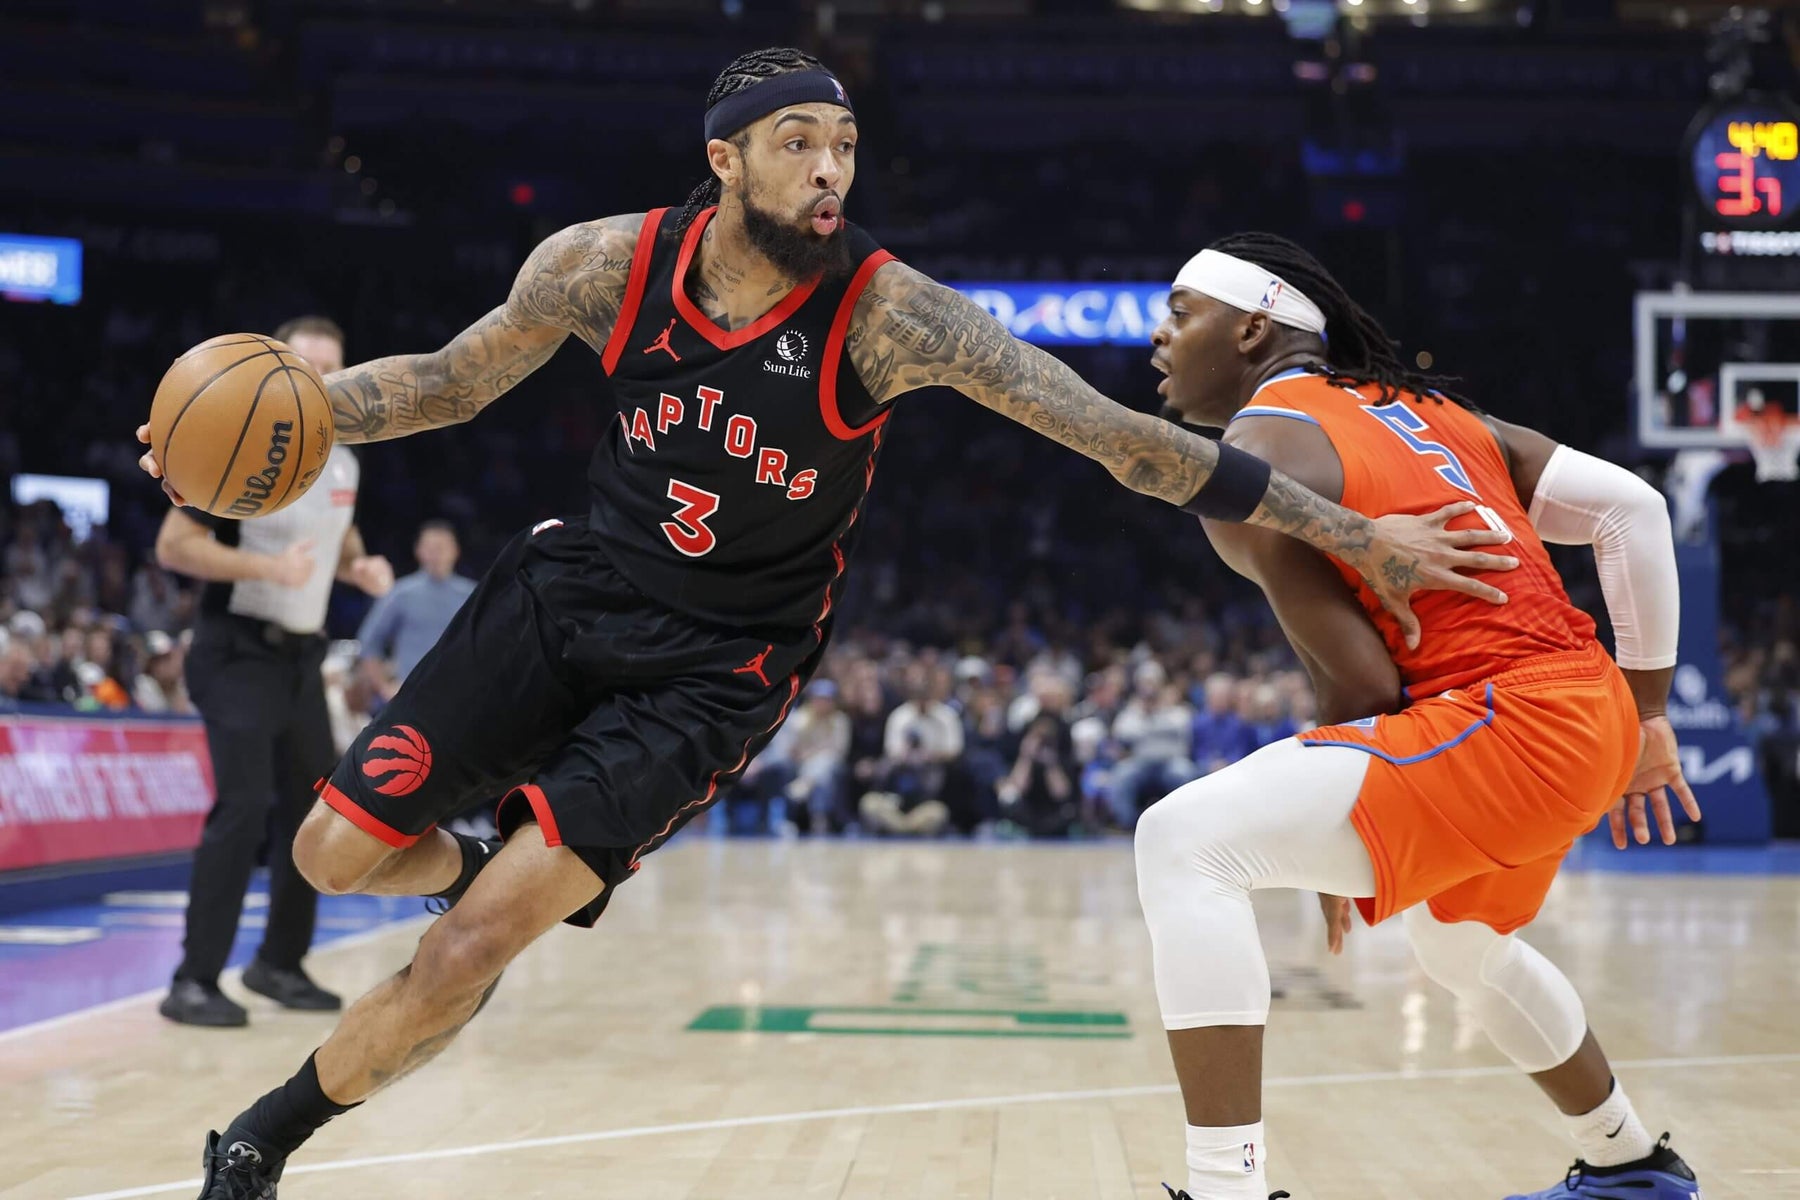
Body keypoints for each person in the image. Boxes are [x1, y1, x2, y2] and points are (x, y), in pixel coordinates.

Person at [134, 50, 1514, 1195]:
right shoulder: (603, 267)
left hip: (716, 672)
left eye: (845, 145)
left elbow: (1114, 440)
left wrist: (1350, 530)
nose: (831, 171)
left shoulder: (888, 316)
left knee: (477, 947)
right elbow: (440, 383)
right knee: (328, 853)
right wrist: (283, 426)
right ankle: (462, 866)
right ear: (727, 158)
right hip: (568, 598)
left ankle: (263, 1140)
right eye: (799, 142)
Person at [1133, 233, 1701, 1200]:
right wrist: (1650, 717)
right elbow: (1634, 510)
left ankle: (1225, 1189)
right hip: (1587, 708)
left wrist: (1321, 828)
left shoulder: (1258, 452)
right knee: (1460, 943)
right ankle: (1628, 1166)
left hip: (1507, 721)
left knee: (1185, 842)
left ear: (1253, 329)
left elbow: (1359, 683)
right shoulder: (1435, 407)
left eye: (1183, 314)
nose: (1160, 337)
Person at [154, 315, 395, 1029]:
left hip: (299, 658)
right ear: (279, 366)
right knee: (246, 805)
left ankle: (279, 964)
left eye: (333, 367)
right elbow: (174, 544)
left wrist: (359, 564)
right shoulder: (234, 438)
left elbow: (337, 533)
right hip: (236, 649)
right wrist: (266, 566)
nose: (321, 379)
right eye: (308, 364)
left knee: (315, 813)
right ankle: (194, 980)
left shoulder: (344, 457)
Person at [356, 519, 475, 700]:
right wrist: (384, 687)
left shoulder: (472, 595)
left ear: (455, 551)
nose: (437, 554)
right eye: (431, 548)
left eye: (442, 547)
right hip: (411, 698)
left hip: (461, 697)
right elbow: (369, 642)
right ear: (419, 551)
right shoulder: (401, 593)